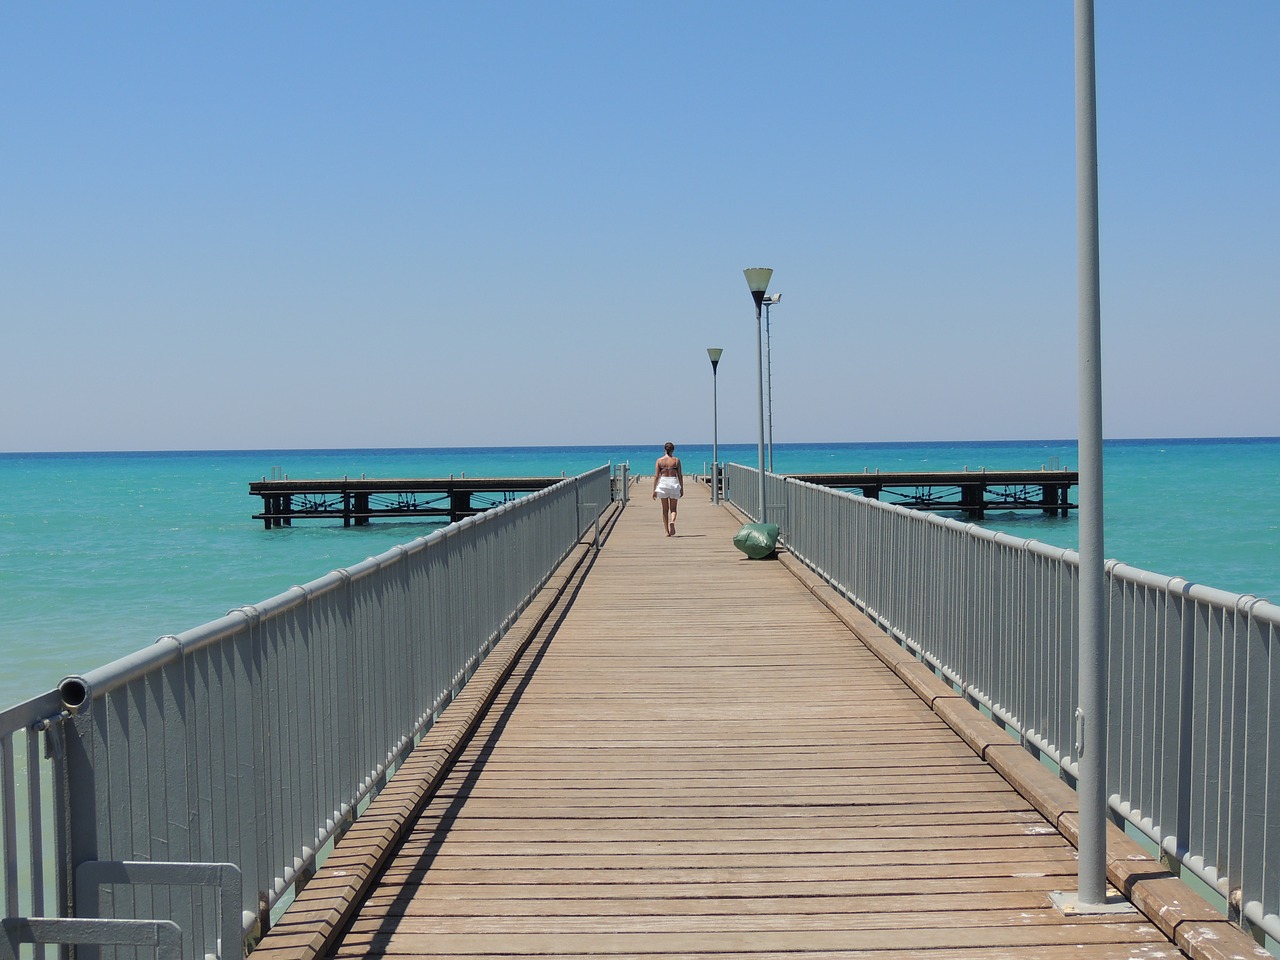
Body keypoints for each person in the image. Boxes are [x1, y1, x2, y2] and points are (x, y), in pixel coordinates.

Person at [652, 441, 684, 537]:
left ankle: (666, 531)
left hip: (663, 484)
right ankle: (672, 521)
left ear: (665, 449)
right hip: (673, 483)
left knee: (665, 509)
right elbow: (680, 476)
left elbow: (656, 476)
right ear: (673, 450)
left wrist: (654, 490)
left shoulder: (659, 461)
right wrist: (681, 488)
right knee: (673, 508)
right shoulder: (677, 461)